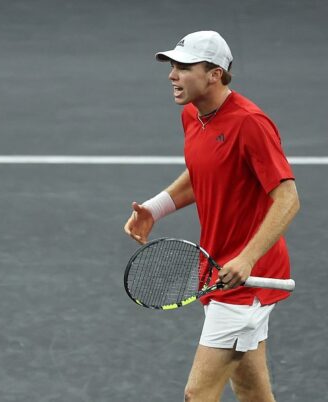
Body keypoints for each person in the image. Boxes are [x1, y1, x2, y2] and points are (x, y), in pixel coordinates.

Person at [123, 31, 300, 401]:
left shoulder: (250, 124)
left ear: (214, 74)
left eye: (184, 67)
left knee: (197, 394)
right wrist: (155, 209)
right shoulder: (192, 115)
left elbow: (288, 198)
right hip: (220, 271)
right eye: (173, 66)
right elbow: (204, 171)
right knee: (251, 392)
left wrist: (247, 258)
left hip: (246, 280)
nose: (172, 75)